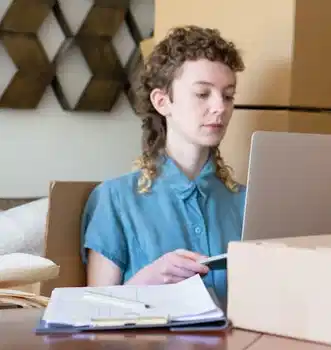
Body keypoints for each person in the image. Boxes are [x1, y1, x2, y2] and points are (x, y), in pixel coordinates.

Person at [80, 25, 246, 306]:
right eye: (203, 94)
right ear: (162, 101)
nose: (220, 107)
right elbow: (95, 312)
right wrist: (148, 280)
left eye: (228, 95)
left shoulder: (247, 203)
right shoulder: (115, 200)